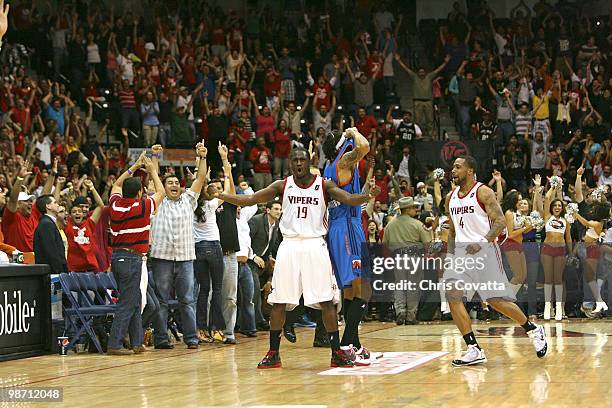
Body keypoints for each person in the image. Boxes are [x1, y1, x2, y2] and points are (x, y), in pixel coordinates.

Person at [213, 147, 381, 369]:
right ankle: (273, 353)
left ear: (309, 161)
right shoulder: (282, 185)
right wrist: (222, 195)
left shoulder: (324, 185)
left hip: (314, 244)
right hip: (289, 245)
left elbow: (349, 199)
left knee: (326, 300)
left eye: (302, 159)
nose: (298, 163)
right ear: (290, 163)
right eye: (294, 160)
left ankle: (336, 352)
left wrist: (368, 195)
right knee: (279, 301)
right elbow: (251, 199)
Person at [444, 156, 547, 366]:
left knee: (495, 301)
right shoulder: (450, 197)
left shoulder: (483, 192)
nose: (453, 170)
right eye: (452, 167)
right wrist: (450, 255)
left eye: (457, 167)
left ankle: (533, 329)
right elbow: (453, 231)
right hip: (462, 254)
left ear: (470, 170)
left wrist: (482, 242)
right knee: (452, 296)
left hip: (485, 250)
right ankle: (473, 348)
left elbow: (501, 222)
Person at [322, 127, 380, 365]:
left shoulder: (331, 165)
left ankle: (354, 343)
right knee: (363, 288)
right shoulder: (344, 160)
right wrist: (353, 131)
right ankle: (346, 344)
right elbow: (365, 146)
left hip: (342, 225)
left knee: (350, 290)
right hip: (347, 227)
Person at [150, 143, 208, 350]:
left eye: (177, 182)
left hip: (185, 259)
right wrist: (155, 156)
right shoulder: (156, 201)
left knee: (187, 300)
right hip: (161, 259)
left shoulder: (188, 200)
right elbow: (152, 178)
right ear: (163, 188)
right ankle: (161, 339)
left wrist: (202, 157)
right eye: (170, 182)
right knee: (161, 301)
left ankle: (191, 338)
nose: (174, 185)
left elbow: (200, 178)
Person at [107, 152, 164, 355]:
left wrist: (134, 167)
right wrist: (151, 171)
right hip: (132, 259)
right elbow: (161, 192)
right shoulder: (142, 206)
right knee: (127, 301)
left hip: (117, 257)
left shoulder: (115, 205)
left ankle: (137, 342)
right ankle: (114, 344)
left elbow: (115, 185)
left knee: (134, 299)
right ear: (140, 192)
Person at [383, 196, 431, 325]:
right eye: (414, 207)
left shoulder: (390, 225)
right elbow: (428, 245)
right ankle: (410, 316)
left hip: (398, 258)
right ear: (408, 209)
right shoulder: (417, 224)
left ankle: (400, 311)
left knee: (399, 285)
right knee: (413, 287)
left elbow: (385, 244)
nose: (416, 210)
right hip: (414, 258)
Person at [540, 182, 572, 320]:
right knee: (548, 278)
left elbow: (569, 238)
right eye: (555, 205)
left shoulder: (566, 220)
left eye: (560, 205)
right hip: (547, 249)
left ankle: (559, 307)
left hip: (561, 250)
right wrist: (553, 187)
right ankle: (548, 306)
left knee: (558, 279)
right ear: (552, 208)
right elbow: (547, 199)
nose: (557, 207)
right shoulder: (547, 217)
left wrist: (570, 253)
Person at [64, 179, 105, 272]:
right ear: (70, 214)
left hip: (91, 267)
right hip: (74, 268)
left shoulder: (89, 223)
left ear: (83, 214)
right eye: (74, 212)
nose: (77, 213)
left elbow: (101, 206)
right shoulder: (67, 224)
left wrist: (92, 187)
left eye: (79, 211)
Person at [33, 195, 67, 274]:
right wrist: (59, 273)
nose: (58, 204)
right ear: (48, 206)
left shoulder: (48, 223)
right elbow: (51, 253)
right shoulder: (46, 224)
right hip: (52, 273)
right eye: (55, 202)